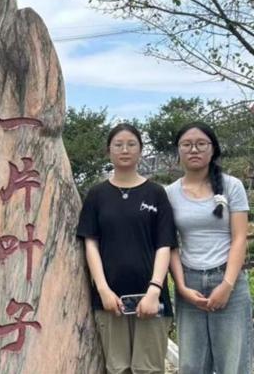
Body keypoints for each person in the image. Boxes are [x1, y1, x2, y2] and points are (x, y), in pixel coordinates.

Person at [76, 123, 176, 374]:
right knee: (118, 368)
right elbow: (90, 243)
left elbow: (164, 244)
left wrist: (154, 289)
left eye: (131, 144)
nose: (125, 149)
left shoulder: (156, 193)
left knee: (149, 368)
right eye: (118, 144)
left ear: (140, 150)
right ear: (108, 151)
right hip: (111, 299)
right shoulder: (97, 195)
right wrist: (103, 289)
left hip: (151, 298)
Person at [167, 122, 251, 374]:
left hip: (228, 279)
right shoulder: (169, 193)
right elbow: (170, 245)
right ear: (178, 150)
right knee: (192, 364)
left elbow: (239, 238)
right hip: (189, 282)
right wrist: (181, 287)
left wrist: (227, 285)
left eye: (201, 144)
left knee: (233, 364)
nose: (194, 149)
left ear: (212, 149)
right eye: (186, 144)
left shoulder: (232, 186)